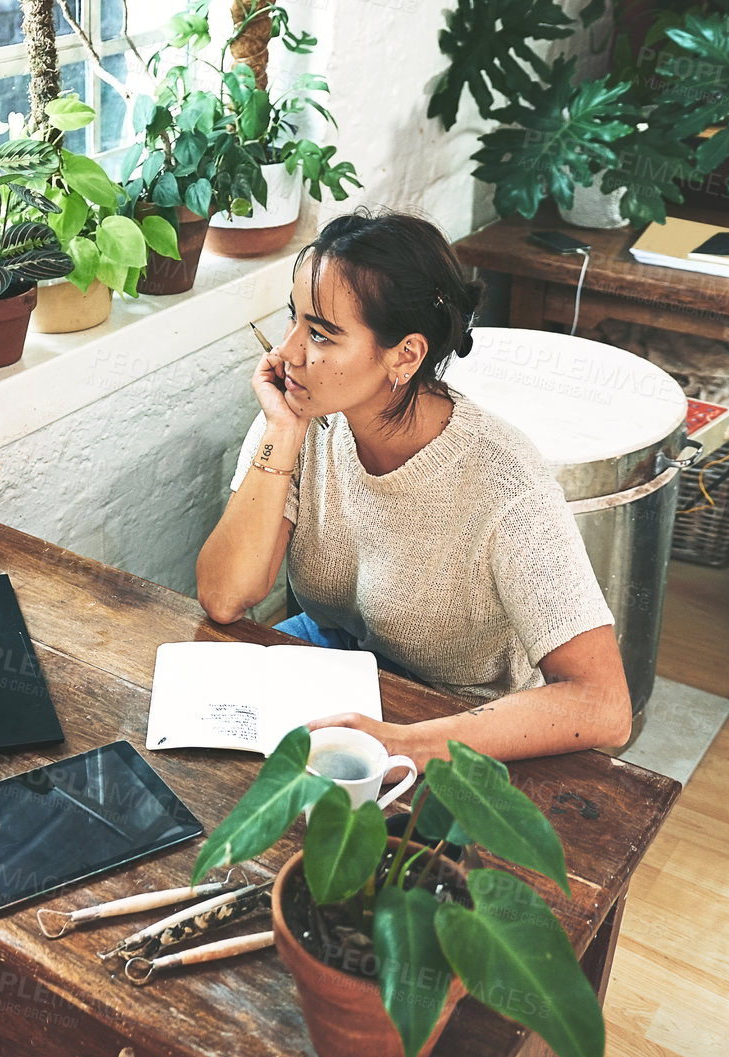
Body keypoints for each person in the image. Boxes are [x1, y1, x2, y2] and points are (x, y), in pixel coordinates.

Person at [195, 209, 634, 770]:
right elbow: (224, 597)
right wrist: (282, 432)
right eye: (295, 321)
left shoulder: (505, 481)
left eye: (322, 335)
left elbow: (603, 705)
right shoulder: (300, 415)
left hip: (458, 716)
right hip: (328, 666)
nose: (286, 354)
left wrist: (401, 744)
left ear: (405, 355)